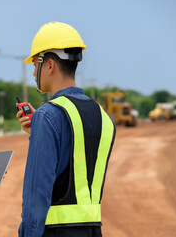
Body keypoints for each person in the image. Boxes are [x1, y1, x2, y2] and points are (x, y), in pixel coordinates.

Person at [16, 22, 116, 237]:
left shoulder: (48, 115)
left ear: (49, 65)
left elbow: (36, 197)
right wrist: (39, 133)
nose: (33, 73)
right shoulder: (103, 116)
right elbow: (76, 163)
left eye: (35, 65)